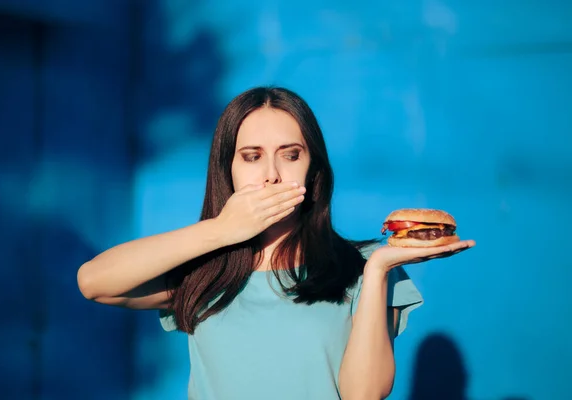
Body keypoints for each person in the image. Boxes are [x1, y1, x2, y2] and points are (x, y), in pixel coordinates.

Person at [77, 86, 475, 400]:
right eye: (251, 157)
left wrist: (375, 273)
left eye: (290, 155)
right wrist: (222, 230)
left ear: (313, 167)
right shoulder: (207, 271)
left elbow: (364, 394)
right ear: (228, 169)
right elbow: (94, 282)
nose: (270, 174)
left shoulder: (364, 265)